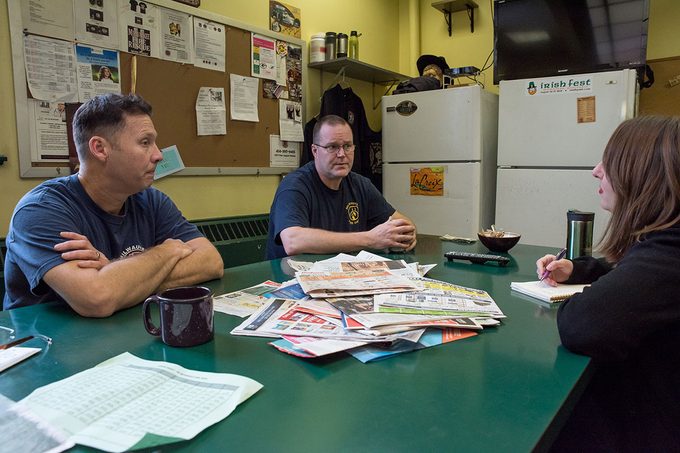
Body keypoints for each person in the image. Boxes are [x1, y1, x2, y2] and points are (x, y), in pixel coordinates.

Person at [3, 93, 224, 316]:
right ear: (100, 148)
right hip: (44, 336)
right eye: (145, 142)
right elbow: (97, 298)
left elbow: (211, 261)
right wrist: (167, 251)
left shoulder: (151, 200)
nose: (158, 155)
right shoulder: (40, 210)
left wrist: (115, 273)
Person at [535, 115, 680, 451]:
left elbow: (583, 324)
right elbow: (632, 270)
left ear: (642, 175)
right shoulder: (664, 247)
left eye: (610, 162)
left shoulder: (670, 252)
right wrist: (577, 269)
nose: (597, 171)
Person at [266, 114, 417, 259]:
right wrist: (370, 239)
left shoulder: (361, 185)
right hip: (291, 275)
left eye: (347, 146)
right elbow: (293, 241)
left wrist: (406, 234)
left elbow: (402, 224)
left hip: (342, 272)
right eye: (332, 147)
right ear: (315, 151)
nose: (342, 154)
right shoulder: (294, 186)